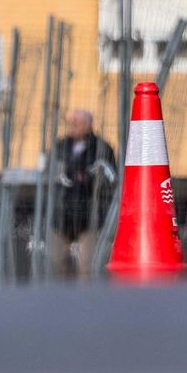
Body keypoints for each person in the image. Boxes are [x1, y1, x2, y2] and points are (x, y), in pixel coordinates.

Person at [52, 109, 116, 278]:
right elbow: (52, 170)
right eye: (71, 123)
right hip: (63, 213)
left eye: (77, 123)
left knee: (86, 264)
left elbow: (108, 177)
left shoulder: (101, 148)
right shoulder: (61, 146)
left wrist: (85, 178)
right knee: (57, 260)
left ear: (88, 125)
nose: (73, 126)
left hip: (90, 214)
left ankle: (85, 300)